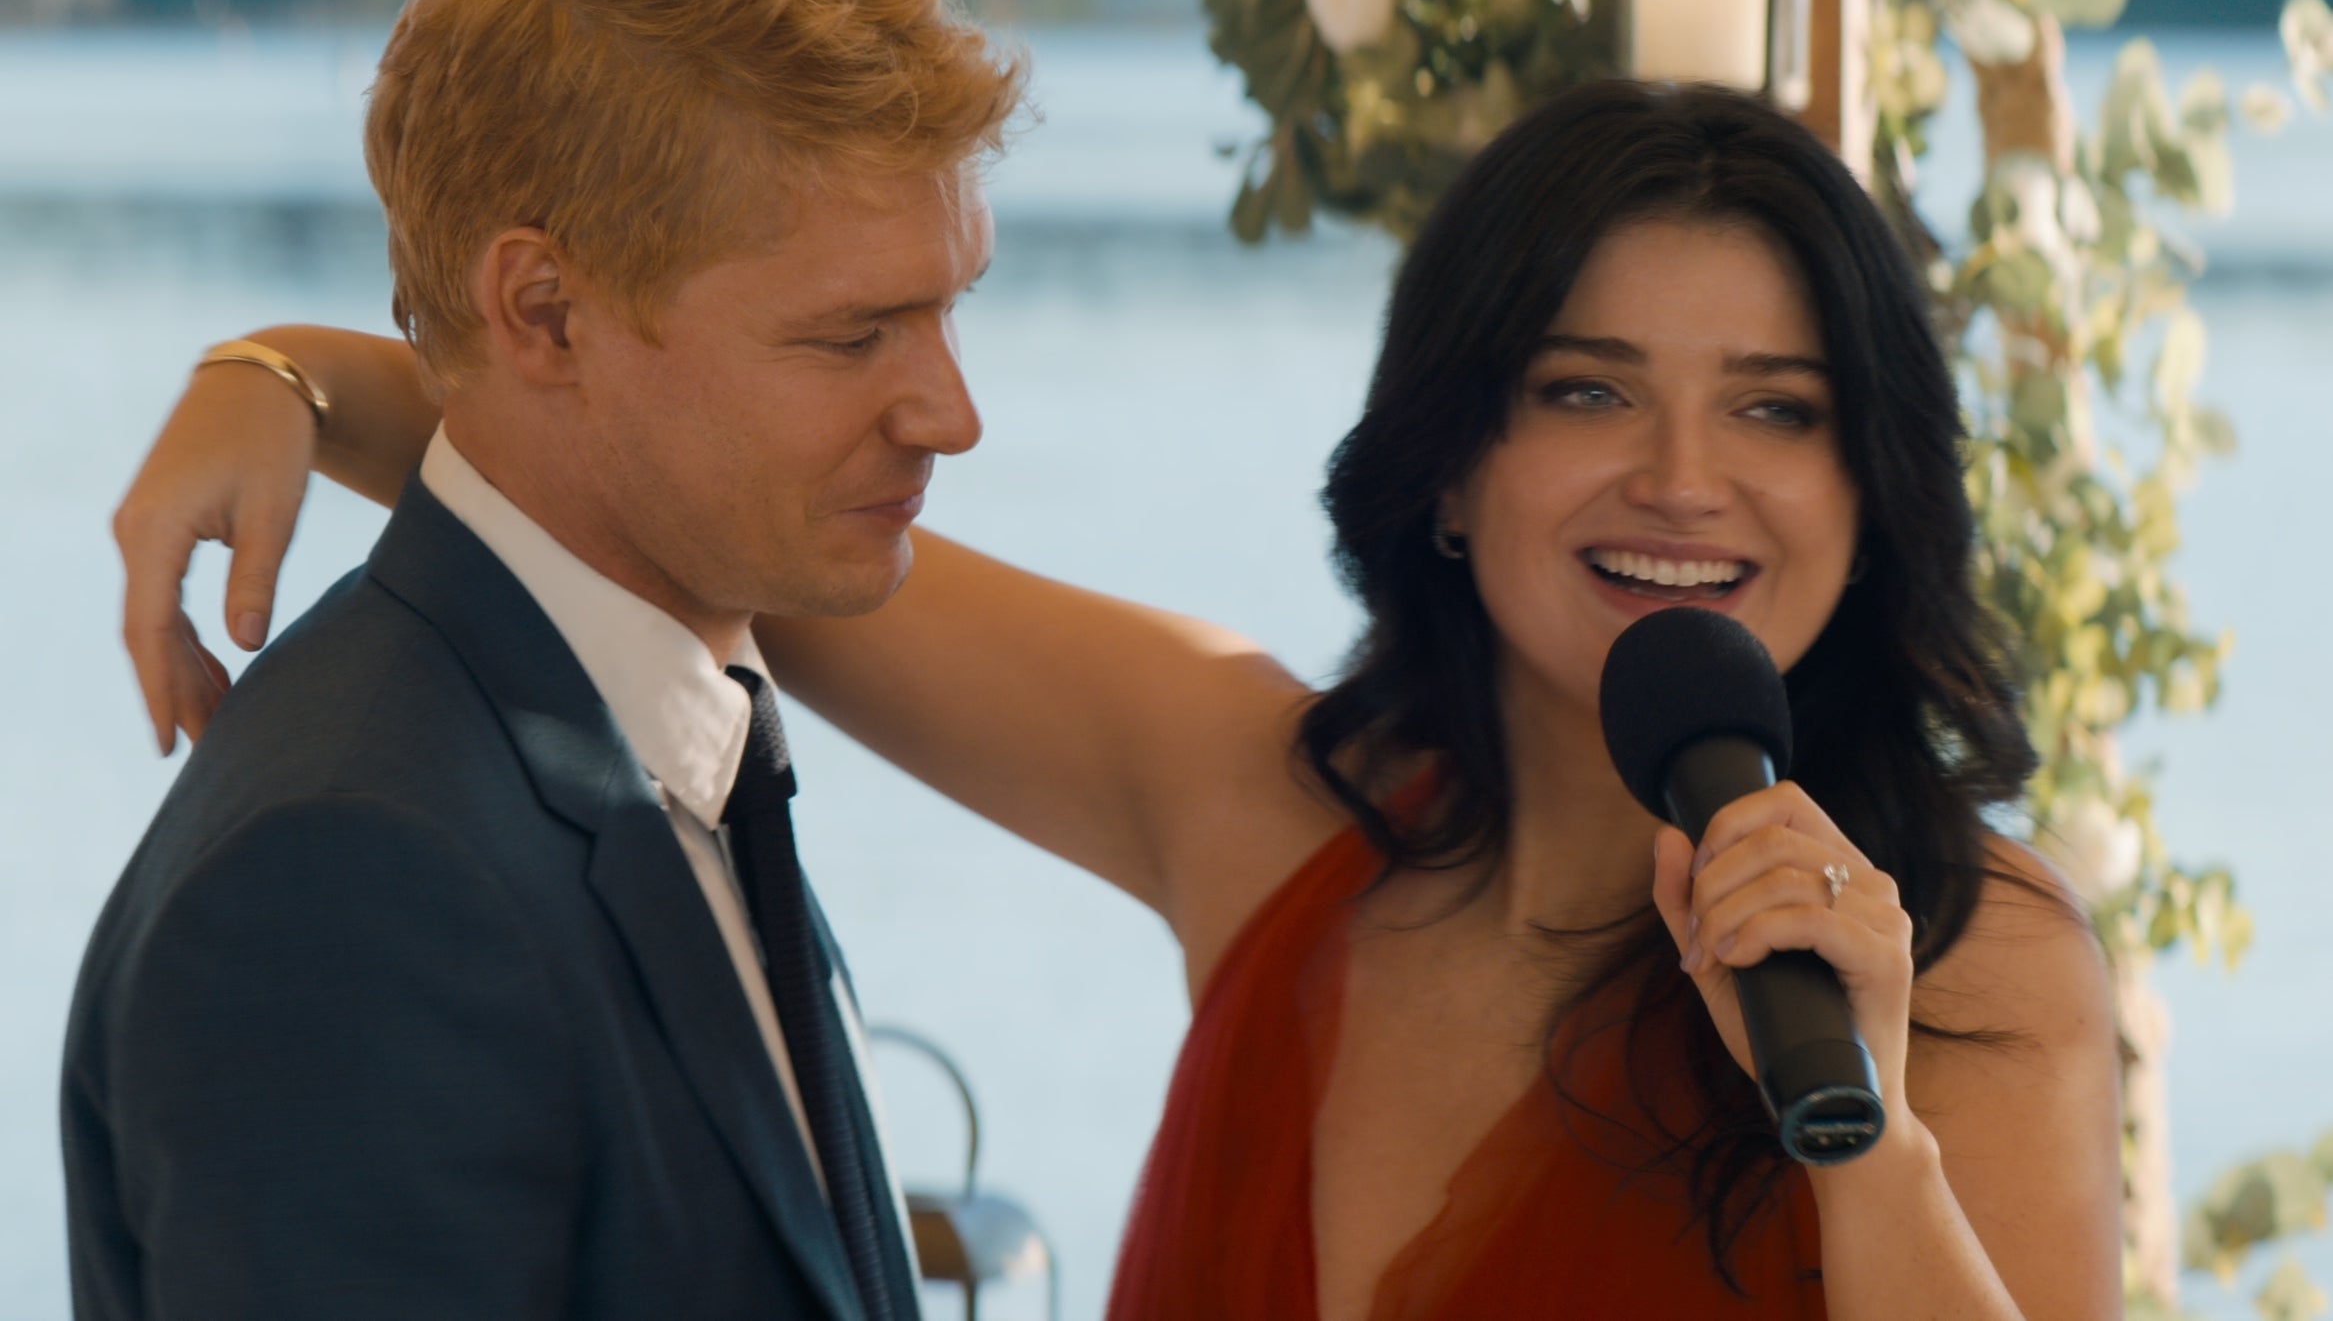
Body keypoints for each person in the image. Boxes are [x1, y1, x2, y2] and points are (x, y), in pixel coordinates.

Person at [113, 83, 2123, 1318]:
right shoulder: (1258, 803)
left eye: (1777, 411)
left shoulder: (1979, 961)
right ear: (1447, 461)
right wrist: (282, 376)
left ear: (1873, 487)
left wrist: (1860, 1136)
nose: (1682, 479)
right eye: (1582, 390)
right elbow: (681, 486)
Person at [69, 0, 1023, 1321]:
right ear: (543, 312)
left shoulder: (659, 735)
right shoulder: (353, 881)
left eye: (949, 305)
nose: (950, 413)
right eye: (853, 335)